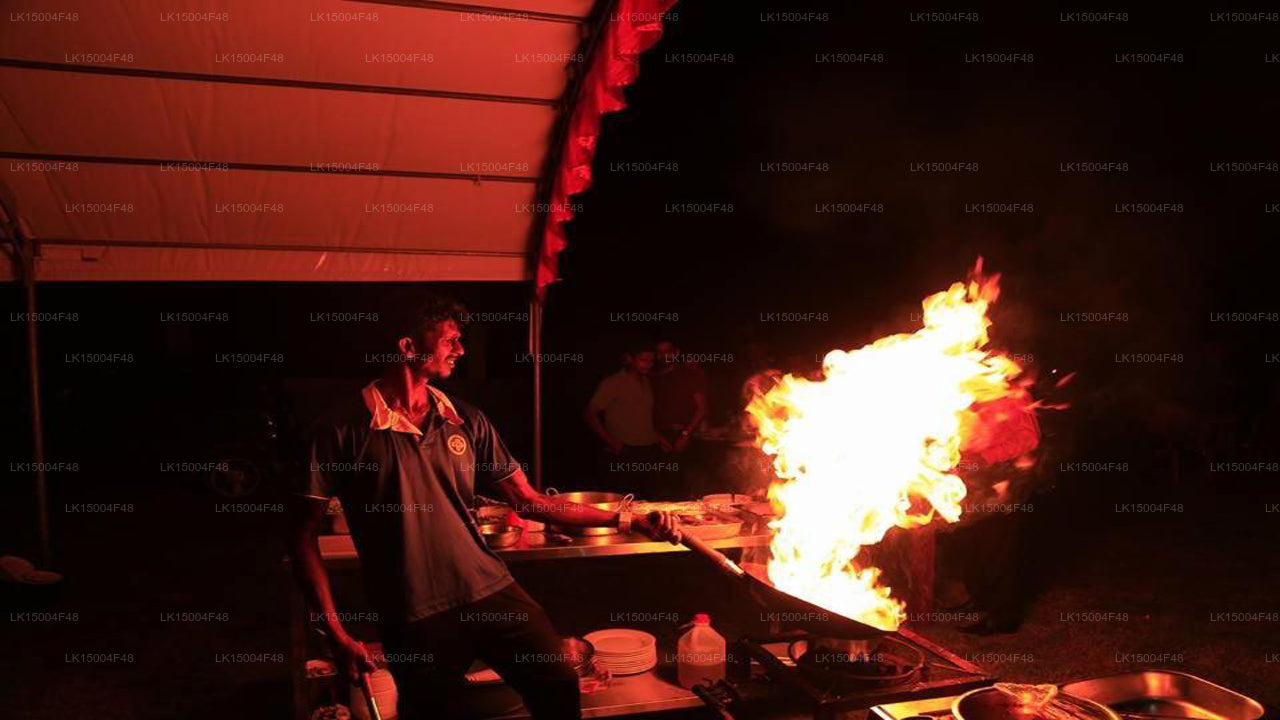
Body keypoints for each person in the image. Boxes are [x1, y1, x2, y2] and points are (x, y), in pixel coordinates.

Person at [287, 296, 682, 720]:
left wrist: (627, 518)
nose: (460, 350)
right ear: (407, 346)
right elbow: (301, 536)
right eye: (450, 340)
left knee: (557, 683)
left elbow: (529, 501)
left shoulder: (465, 418)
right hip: (413, 612)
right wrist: (337, 633)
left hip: (489, 589)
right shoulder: (339, 429)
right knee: (432, 713)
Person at [583, 343, 665, 494]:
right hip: (624, 450)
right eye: (643, 360)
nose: (648, 364)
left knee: (649, 497)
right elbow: (590, 414)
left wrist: (659, 438)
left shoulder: (647, 381)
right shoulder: (613, 382)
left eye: (651, 361)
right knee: (624, 497)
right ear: (630, 359)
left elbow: (643, 415)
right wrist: (611, 442)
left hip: (649, 449)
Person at [652, 339, 708, 454]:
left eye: (667, 351)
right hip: (656, 436)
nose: (664, 355)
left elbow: (702, 408)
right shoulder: (651, 379)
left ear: (676, 352)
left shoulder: (689, 375)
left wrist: (685, 435)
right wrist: (657, 436)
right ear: (656, 355)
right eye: (660, 352)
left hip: (685, 433)